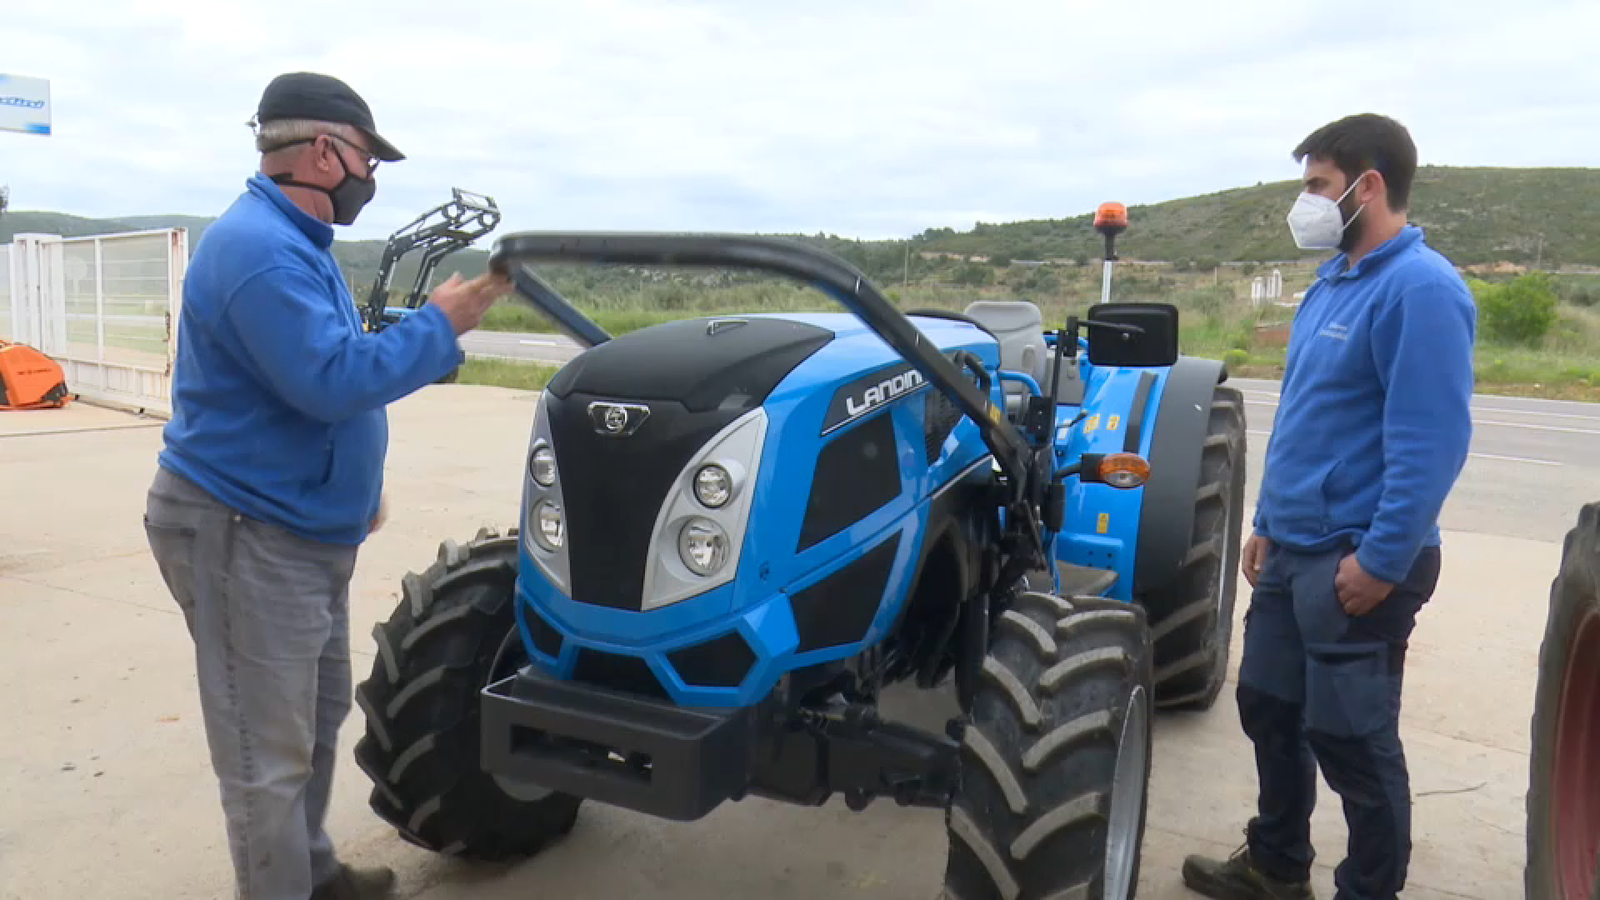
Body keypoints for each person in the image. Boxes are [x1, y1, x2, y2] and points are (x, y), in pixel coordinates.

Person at [141, 72, 510, 900]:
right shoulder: (259, 252)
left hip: (295, 527)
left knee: (313, 721)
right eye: (368, 160)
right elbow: (330, 380)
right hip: (243, 533)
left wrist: (350, 486)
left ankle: (309, 875)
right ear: (323, 151)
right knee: (264, 754)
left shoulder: (294, 245)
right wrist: (439, 325)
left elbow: (313, 382)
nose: (369, 178)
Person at [1180, 113, 1476, 900]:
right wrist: (1267, 525)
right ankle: (1277, 865)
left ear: (1368, 186)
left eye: (1318, 184)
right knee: (1270, 706)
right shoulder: (1332, 283)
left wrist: (1381, 561)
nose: (1305, 202)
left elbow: (1432, 442)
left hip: (1358, 559)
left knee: (1353, 742)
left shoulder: (1421, 290)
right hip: (1293, 551)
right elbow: (1309, 418)